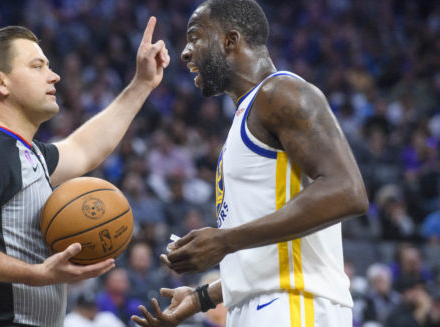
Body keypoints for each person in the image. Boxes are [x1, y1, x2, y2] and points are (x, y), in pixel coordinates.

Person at [0, 17, 169, 326]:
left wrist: (142, 84)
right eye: (37, 66)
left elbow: (84, 148)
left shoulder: (26, 151)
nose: (54, 76)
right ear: (1, 82)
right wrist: (36, 274)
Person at [131, 1, 368, 326]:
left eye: (194, 37)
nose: (185, 53)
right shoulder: (247, 115)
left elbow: (348, 191)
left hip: (294, 305)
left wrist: (225, 240)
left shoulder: (281, 92)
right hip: (258, 306)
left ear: (230, 40)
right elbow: (268, 253)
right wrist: (203, 296)